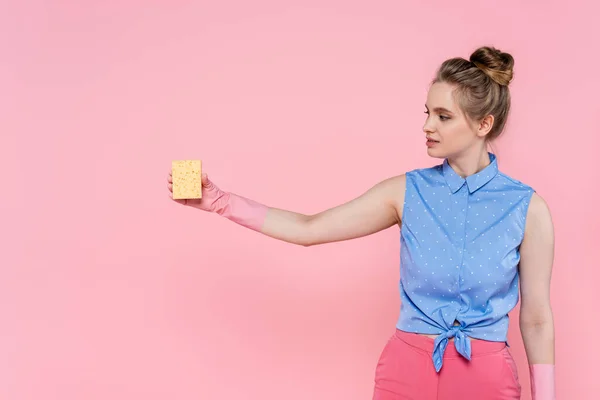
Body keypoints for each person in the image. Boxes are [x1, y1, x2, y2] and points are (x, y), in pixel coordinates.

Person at [167, 46, 555, 400]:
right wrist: (219, 201)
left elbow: (536, 318)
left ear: (483, 125)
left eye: (443, 116)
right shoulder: (406, 192)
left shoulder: (527, 208)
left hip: (485, 379)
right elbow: (308, 229)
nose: (427, 126)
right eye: (427, 112)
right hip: (406, 373)